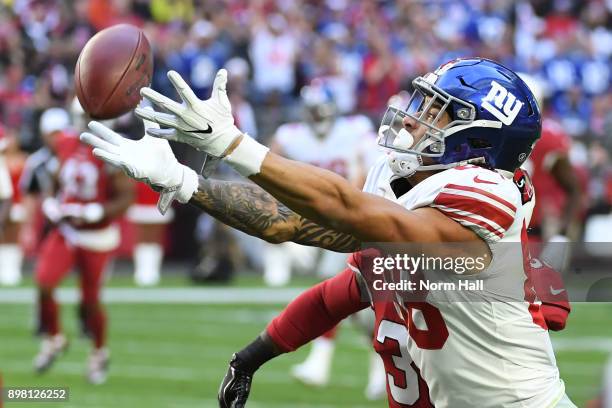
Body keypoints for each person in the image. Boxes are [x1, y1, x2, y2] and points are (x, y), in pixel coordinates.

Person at [81, 58, 576, 407]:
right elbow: (297, 224)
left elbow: (348, 209)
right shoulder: (413, 193)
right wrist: (186, 182)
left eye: (435, 112)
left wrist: (234, 145)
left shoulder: (487, 196)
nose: (416, 119)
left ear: (477, 138)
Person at [33, 113, 134, 384]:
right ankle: (54, 337)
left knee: (90, 301)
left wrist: (96, 210)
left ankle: (99, 351)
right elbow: (55, 180)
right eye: (81, 116)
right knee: (44, 282)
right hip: (67, 229)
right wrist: (51, 203)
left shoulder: (113, 148)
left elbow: (126, 196)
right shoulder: (66, 142)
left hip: (96, 236)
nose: (83, 122)